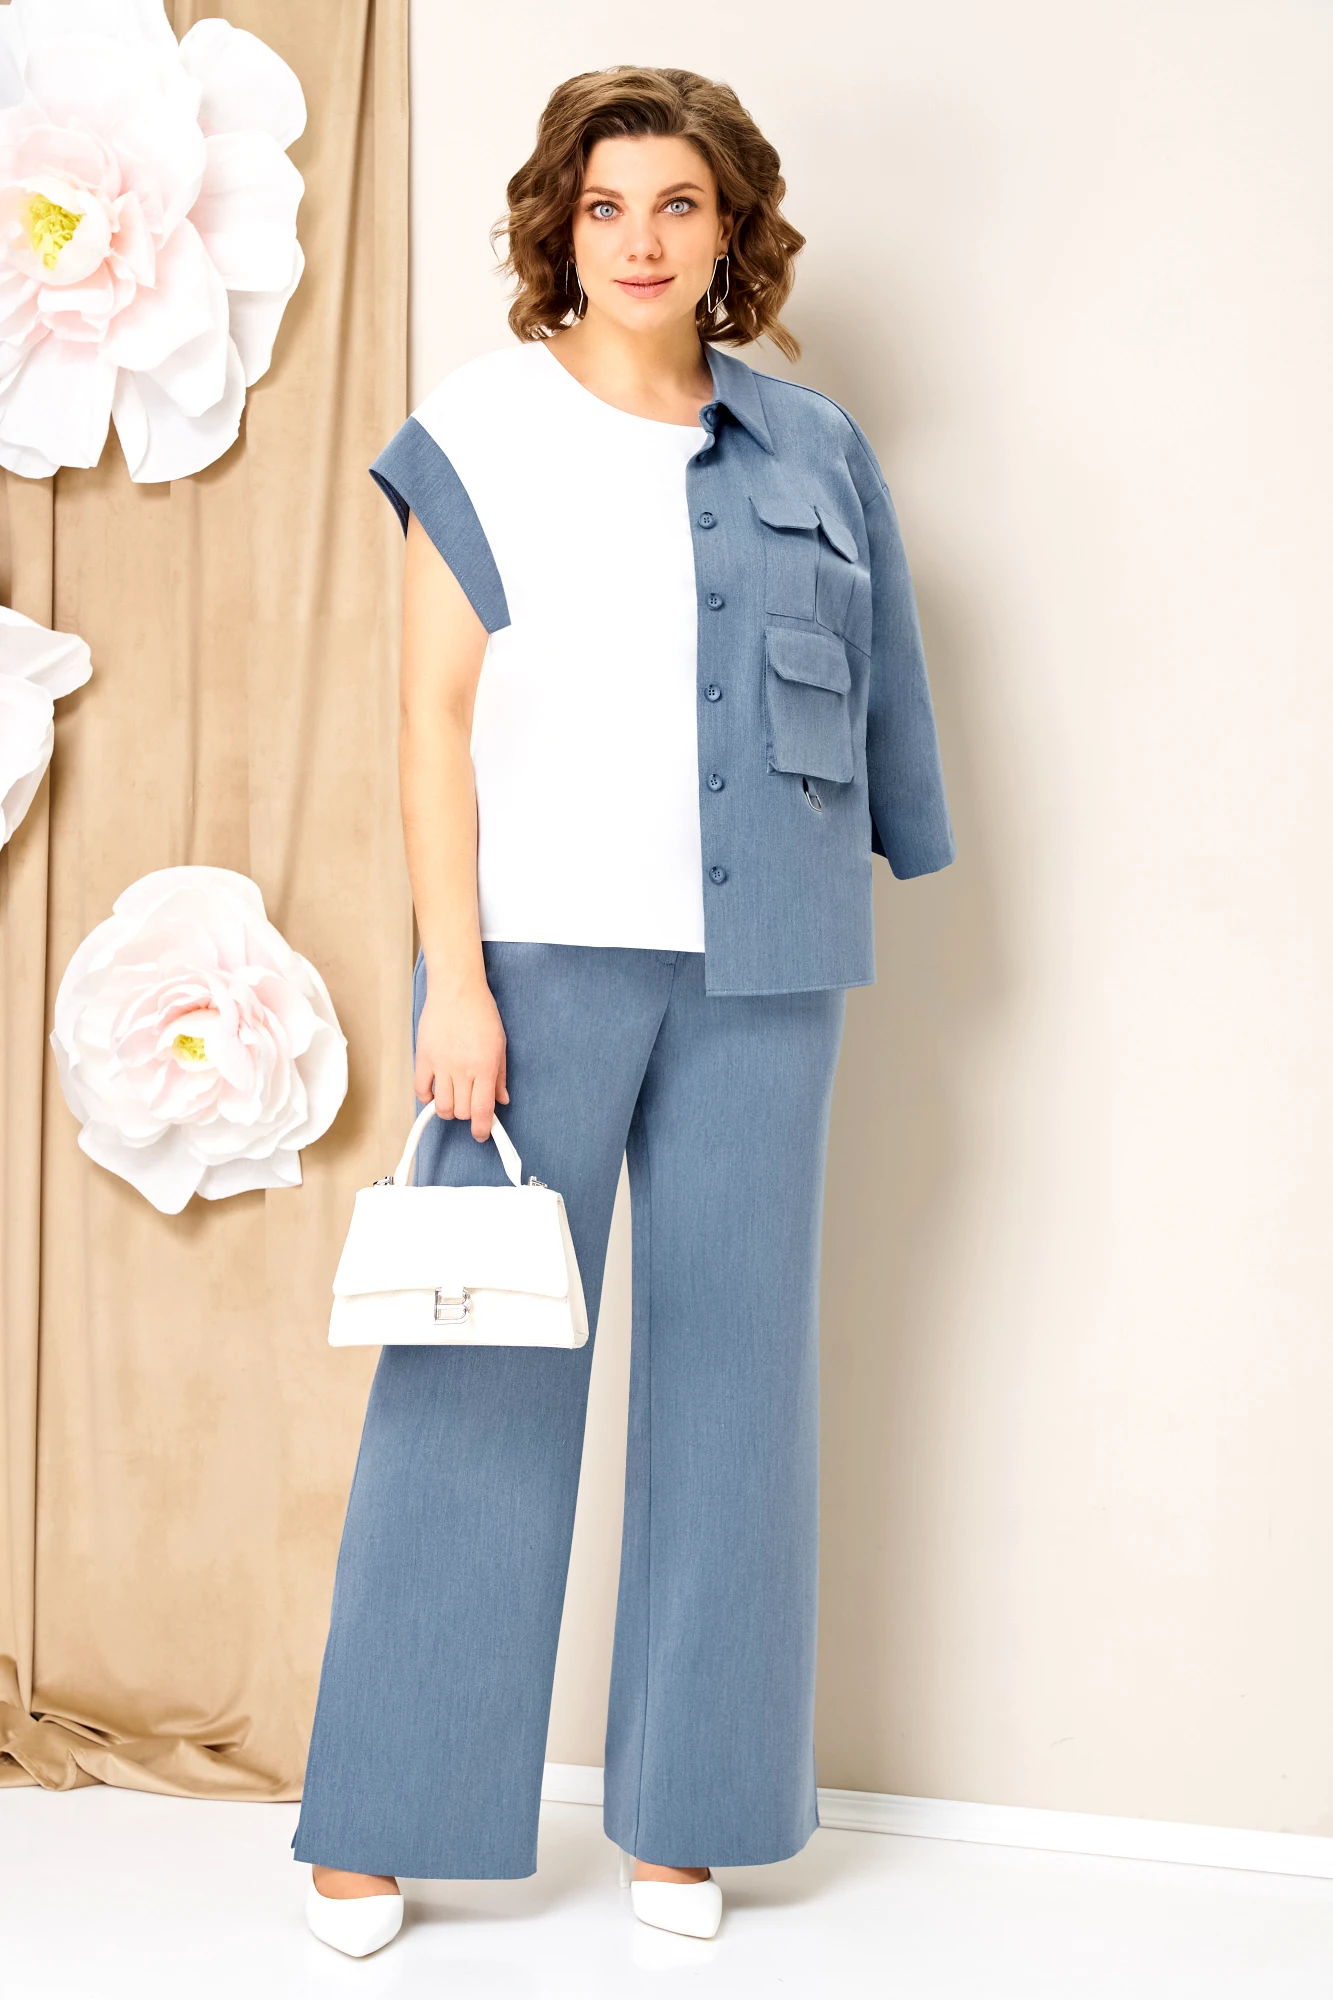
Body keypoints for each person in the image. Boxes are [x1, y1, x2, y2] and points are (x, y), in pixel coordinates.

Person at [294, 64, 955, 1959]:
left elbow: (888, 688)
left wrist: (898, 853)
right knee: (480, 1370)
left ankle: (691, 1816)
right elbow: (428, 719)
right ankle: (380, 1823)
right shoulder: (481, 427)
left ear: (729, 227)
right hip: (535, 967)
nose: (642, 240)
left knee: (738, 1390)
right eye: (606, 207)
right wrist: (455, 977)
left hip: (768, 967)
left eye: (678, 203)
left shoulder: (814, 445)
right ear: (559, 229)